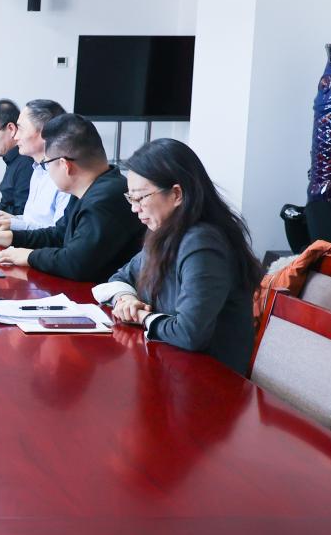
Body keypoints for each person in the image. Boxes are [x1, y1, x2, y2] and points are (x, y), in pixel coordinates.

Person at [92, 139, 262, 374]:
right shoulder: (165, 234)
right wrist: (126, 299)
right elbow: (120, 278)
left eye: (141, 198)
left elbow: (189, 333)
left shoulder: (203, 243)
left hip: (211, 380)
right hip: (172, 366)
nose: (134, 208)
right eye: (131, 198)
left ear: (176, 194)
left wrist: (142, 317)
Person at [0, 114, 144, 283]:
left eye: (47, 163)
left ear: (65, 165)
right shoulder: (92, 188)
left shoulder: (105, 200)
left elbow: (75, 263)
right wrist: (6, 237)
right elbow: (58, 235)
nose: (46, 170)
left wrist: (28, 256)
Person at [1, 99, 72, 230]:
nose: (15, 136)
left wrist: (13, 224)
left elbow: (58, 234)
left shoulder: (65, 174)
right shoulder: (38, 168)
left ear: (44, 133)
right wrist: (13, 220)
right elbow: (34, 221)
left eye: (20, 129)